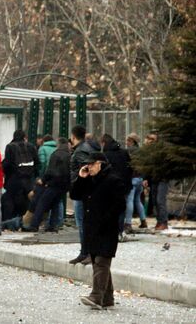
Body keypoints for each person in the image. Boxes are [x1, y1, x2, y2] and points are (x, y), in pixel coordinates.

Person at [70, 152, 126, 310]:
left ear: (100, 164)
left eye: (91, 164)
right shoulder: (90, 180)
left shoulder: (113, 180)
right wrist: (81, 178)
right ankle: (107, 298)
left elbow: (120, 205)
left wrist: (106, 220)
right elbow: (75, 195)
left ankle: (96, 296)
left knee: (102, 261)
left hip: (107, 228)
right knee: (97, 260)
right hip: (92, 228)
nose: (88, 167)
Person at [68, 125, 99, 265]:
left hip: (82, 191)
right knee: (84, 223)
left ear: (73, 137)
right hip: (85, 191)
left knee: (83, 223)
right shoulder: (87, 148)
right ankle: (85, 252)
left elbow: (86, 169)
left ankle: (86, 252)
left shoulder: (80, 151)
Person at [28, 138, 71, 231]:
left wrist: (43, 180)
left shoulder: (56, 154)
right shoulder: (68, 155)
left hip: (53, 183)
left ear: (59, 144)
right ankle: (53, 225)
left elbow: (50, 170)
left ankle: (34, 225)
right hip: (63, 185)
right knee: (55, 204)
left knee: (42, 203)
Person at [1, 130, 39, 221]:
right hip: (29, 180)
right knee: (26, 201)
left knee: (9, 200)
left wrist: (6, 174)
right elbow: (37, 163)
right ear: (24, 136)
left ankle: (8, 221)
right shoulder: (31, 146)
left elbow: (7, 163)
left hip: (13, 179)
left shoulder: (10, 146)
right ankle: (25, 221)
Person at [100, 134, 132, 236]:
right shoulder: (124, 152)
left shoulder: (105, 155)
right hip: (124, 184)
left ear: (104, 143)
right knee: (121, 207)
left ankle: (110, 231)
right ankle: (119, 231)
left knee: (109, 208)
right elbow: (130, 168)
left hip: (110, 185)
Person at [142, 132, 169, 230]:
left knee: (160, 200)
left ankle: (164, 222)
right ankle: (159, 221)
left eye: (152, 139)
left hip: (162, 178)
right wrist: (145, 178)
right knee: (154, 201)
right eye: (148, 139)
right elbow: (147, 166)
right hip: (153, 179)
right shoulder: (148, 152)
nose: (150, 141)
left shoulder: (162, 151)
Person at [124, 133, 148, 230]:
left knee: (129, 200)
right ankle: (143, 221)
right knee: (137, 200)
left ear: (132, 141)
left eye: (128, 141)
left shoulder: (128, 151)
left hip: (132, 178)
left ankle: (128, 223)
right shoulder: (142, 151)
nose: (126, 143)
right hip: (140, 179)